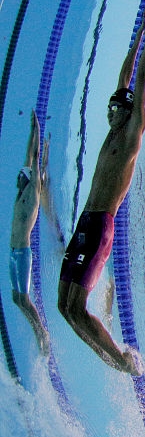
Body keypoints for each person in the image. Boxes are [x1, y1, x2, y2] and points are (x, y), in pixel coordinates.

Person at [57, 7, 145, 376]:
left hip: (101, 226)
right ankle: (106, 357)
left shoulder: (130, 136)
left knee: (78, 307)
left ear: (126, 112)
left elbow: (138, 84)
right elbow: (123, 77)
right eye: (110, 107)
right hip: (86, 221)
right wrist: (134, 42)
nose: (111, 112)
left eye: (116, 107)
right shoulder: (110, 134)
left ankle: (121, 361)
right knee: (63, 307)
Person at [10, 111, 51, 356]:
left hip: (23, 252)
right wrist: (31, 131)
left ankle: (41, 333)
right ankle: (38, 330)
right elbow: (29, 156)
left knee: (24, 300)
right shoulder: (20, 195)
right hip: (13, 252)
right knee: (16, 299)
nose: (17, 178)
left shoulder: (33, 190)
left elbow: (33, 157)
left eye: (20, 176)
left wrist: (36, 129)